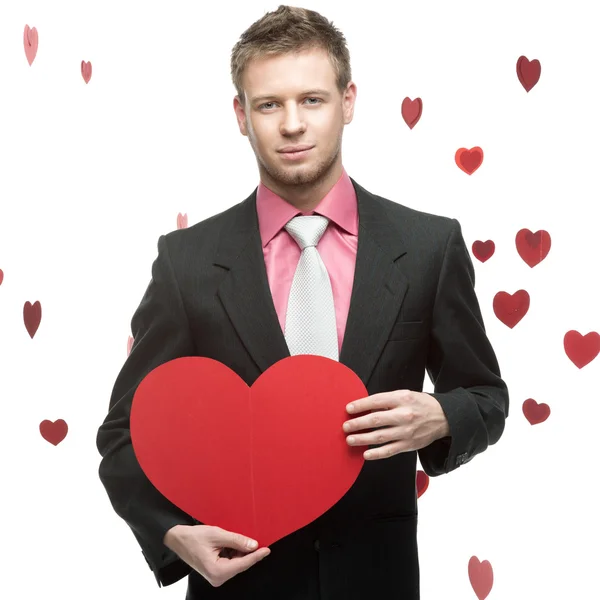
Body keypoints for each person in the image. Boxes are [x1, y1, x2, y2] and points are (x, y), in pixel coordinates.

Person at [96, 5, 509, 599]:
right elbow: (123, 433)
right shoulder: (186, 262)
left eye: (312, 100)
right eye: (269, 104)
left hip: (379, 584)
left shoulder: (428, 247)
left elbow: (487, 396)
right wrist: (170, 534)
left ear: (349, 101)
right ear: (241, 115)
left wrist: (443, 416)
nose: (292, 124)